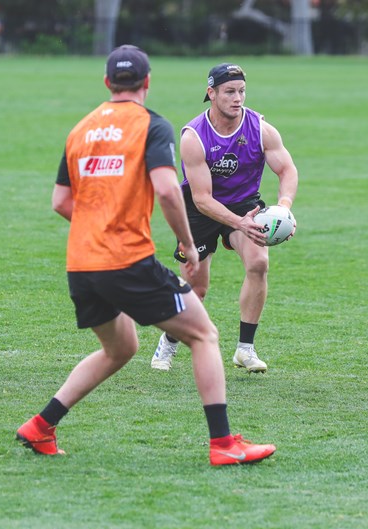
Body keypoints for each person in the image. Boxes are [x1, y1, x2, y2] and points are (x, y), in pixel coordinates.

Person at [16, 45, 276, 466]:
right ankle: (224, 444)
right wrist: (189, 245)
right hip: (127, 260)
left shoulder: (81, 129)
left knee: (120, 349)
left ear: (106, 83)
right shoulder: (152, 125)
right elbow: (170, 191)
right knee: (204, 334)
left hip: (82, 263)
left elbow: (60, 202)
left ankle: (41, 426)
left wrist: (97, 226)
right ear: (147, 82)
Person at [151, 62, 299, 373]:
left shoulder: (261, 129)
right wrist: (238, 223)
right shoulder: (195, 136)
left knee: (259, 263)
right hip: (200, 210)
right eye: (229, 92)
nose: (237, 98)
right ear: (211, 93)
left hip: (246, 204)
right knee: (196, 288)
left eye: (242, 91)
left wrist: (284, 207)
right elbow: (202, 199)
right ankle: (170, 340)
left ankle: (245, 349)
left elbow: (287, 170)